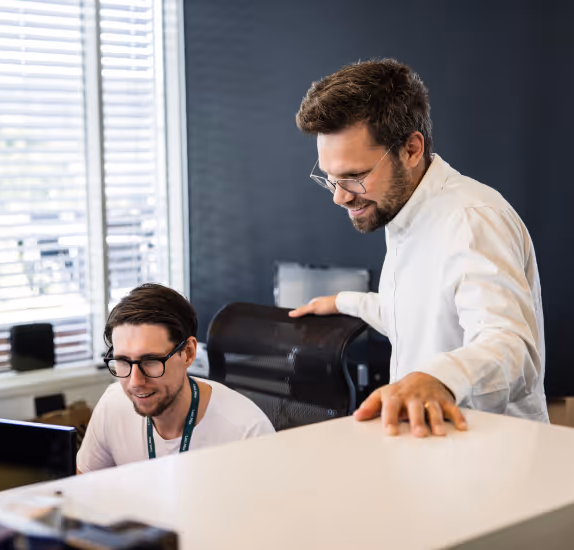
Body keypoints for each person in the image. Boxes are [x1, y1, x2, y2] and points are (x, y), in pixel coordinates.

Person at [290, 58, 548, 437]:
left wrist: (437, 378)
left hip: (493, 456)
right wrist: (344, 302)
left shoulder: (471, 219)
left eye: (355, 177)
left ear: (411, 149)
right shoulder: (406, 208)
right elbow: (422, 312)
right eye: (330, 180)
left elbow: (511, 347)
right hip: (429, 446)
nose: (340, 197)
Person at [77, 283, 275, 472]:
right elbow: (81, 490)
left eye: (151, 361)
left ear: (188, 353)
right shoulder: (113, 404)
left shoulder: (247, 431)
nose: (135, 382)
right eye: (123, 361)